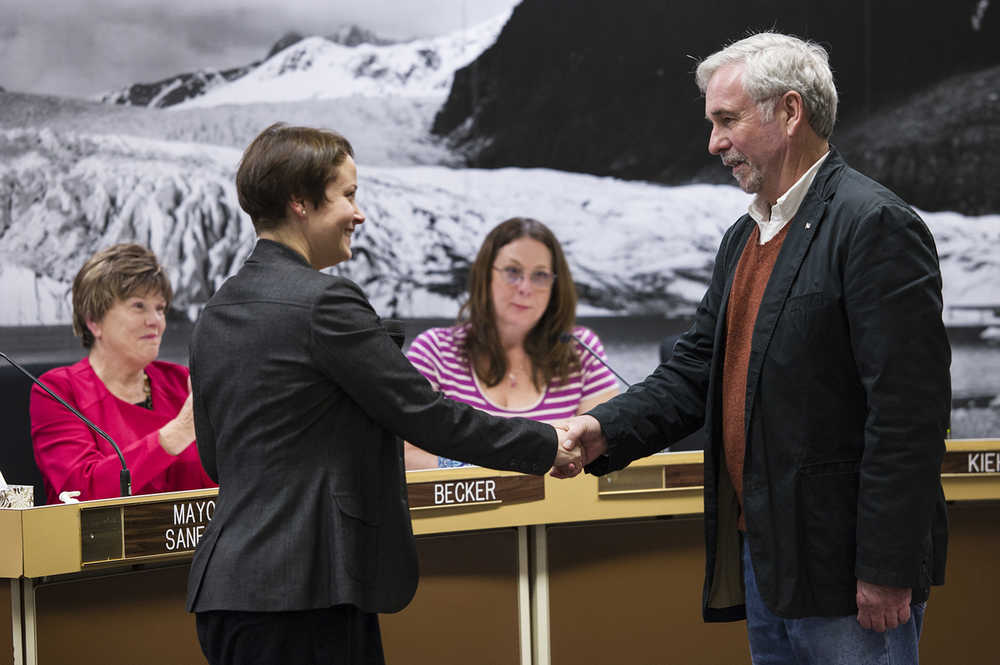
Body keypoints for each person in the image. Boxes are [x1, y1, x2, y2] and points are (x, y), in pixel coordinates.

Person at [559, 32, 950, 663]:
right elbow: (694, 371)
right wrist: (604, 427)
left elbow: (909, 415)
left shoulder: (874, 225)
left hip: (849, 575)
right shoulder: (745, 237)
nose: (714, 142)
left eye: (726, 120)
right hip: (769, 561)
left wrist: (886, 566)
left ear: (790, 112)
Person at [185, 123, 580, 665]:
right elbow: (424, 413)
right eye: (348, 194)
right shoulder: (325, 303)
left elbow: (215, 457)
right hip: (308, 591)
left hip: (227, 592)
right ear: (300, 202)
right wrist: (544, 445)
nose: (359, 212)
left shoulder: (217, 310)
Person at [404, 217, 618, 470]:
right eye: (513, 272)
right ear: (485, 275)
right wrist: (502, 475)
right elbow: (404, 455)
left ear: (555, 286)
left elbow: (600, 448)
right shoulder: (434, 350)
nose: (525, 288)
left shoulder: (580, 350)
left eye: (540, 275)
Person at [29, 243, 214, 504]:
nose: (156, 321)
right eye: (139, 306)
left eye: (160, 308)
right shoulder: (58, 391)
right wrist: (177, 433)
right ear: (94, 320)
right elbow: (79, 493)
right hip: (99, 545)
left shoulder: (182, 382)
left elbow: (222, 482)